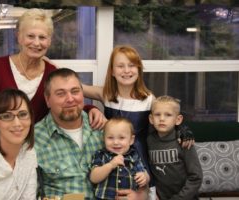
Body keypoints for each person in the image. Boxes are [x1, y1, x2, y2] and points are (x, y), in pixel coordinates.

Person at [0, 8, 105, 144]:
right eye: (30, 36)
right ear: (19, 37)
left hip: (36, 151)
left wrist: (90, 110)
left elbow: (63, 104)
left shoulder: (51, 73)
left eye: (42, 37)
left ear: (49, 41)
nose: (36, 43)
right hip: (0, 148)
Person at [83, 45, 195, 199]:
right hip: (112, 154)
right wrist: (46, 63)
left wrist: (183, 129)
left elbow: (166, 116)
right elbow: (74, 87)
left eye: (131, 65)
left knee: (139, 192)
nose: (126, 70)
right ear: (112, 72)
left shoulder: (148, 99)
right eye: (120, 66)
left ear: (139, 69)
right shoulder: (106, 94)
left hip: (140, 156)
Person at [34, 68, 146, 200]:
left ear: (82, 94)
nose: (70, 99)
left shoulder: (106, 129)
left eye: (75, 91)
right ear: (48, 100)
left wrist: (139, 196)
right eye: (60, 93)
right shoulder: (35, 139)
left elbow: (139, 174)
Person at [147, 95, 202, 200]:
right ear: (151, 119)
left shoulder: (184, 141)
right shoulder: (149, 141)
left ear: (178, 119)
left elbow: (196, 177)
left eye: (168, 115)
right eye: (157, 114)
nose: (162, 119)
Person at [90, 117, 149, 200]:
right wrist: (110, 165)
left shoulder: (134, 156)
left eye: (121, 138)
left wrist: (145, 177)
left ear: (131, 140)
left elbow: (144, 172)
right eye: (110, 138)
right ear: (103, 138)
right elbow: (94, 178)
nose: (116, 142)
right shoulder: (101, 155)